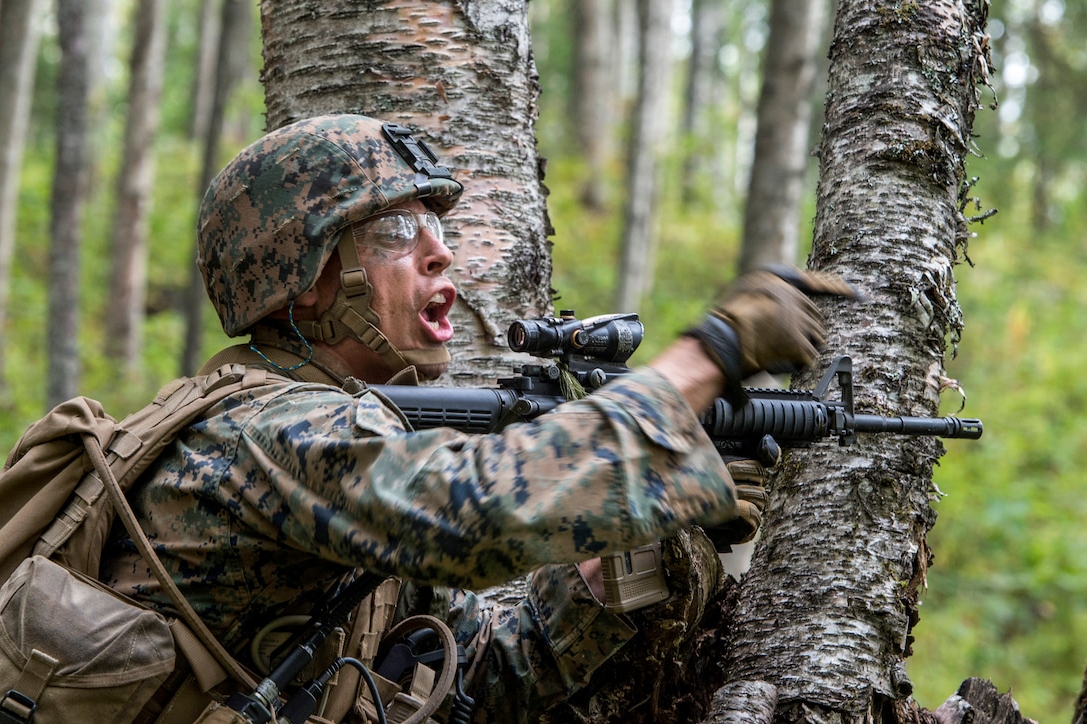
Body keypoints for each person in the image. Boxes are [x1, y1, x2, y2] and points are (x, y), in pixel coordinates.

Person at [97, 114, 855, 723]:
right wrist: (706, 357)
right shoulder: (268, 432)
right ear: (303, 282)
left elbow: (490, 682)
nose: (440, 255)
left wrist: (624, 545)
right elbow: (477, 515)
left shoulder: (350, 449)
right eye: (395, 231)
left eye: (439, 229)